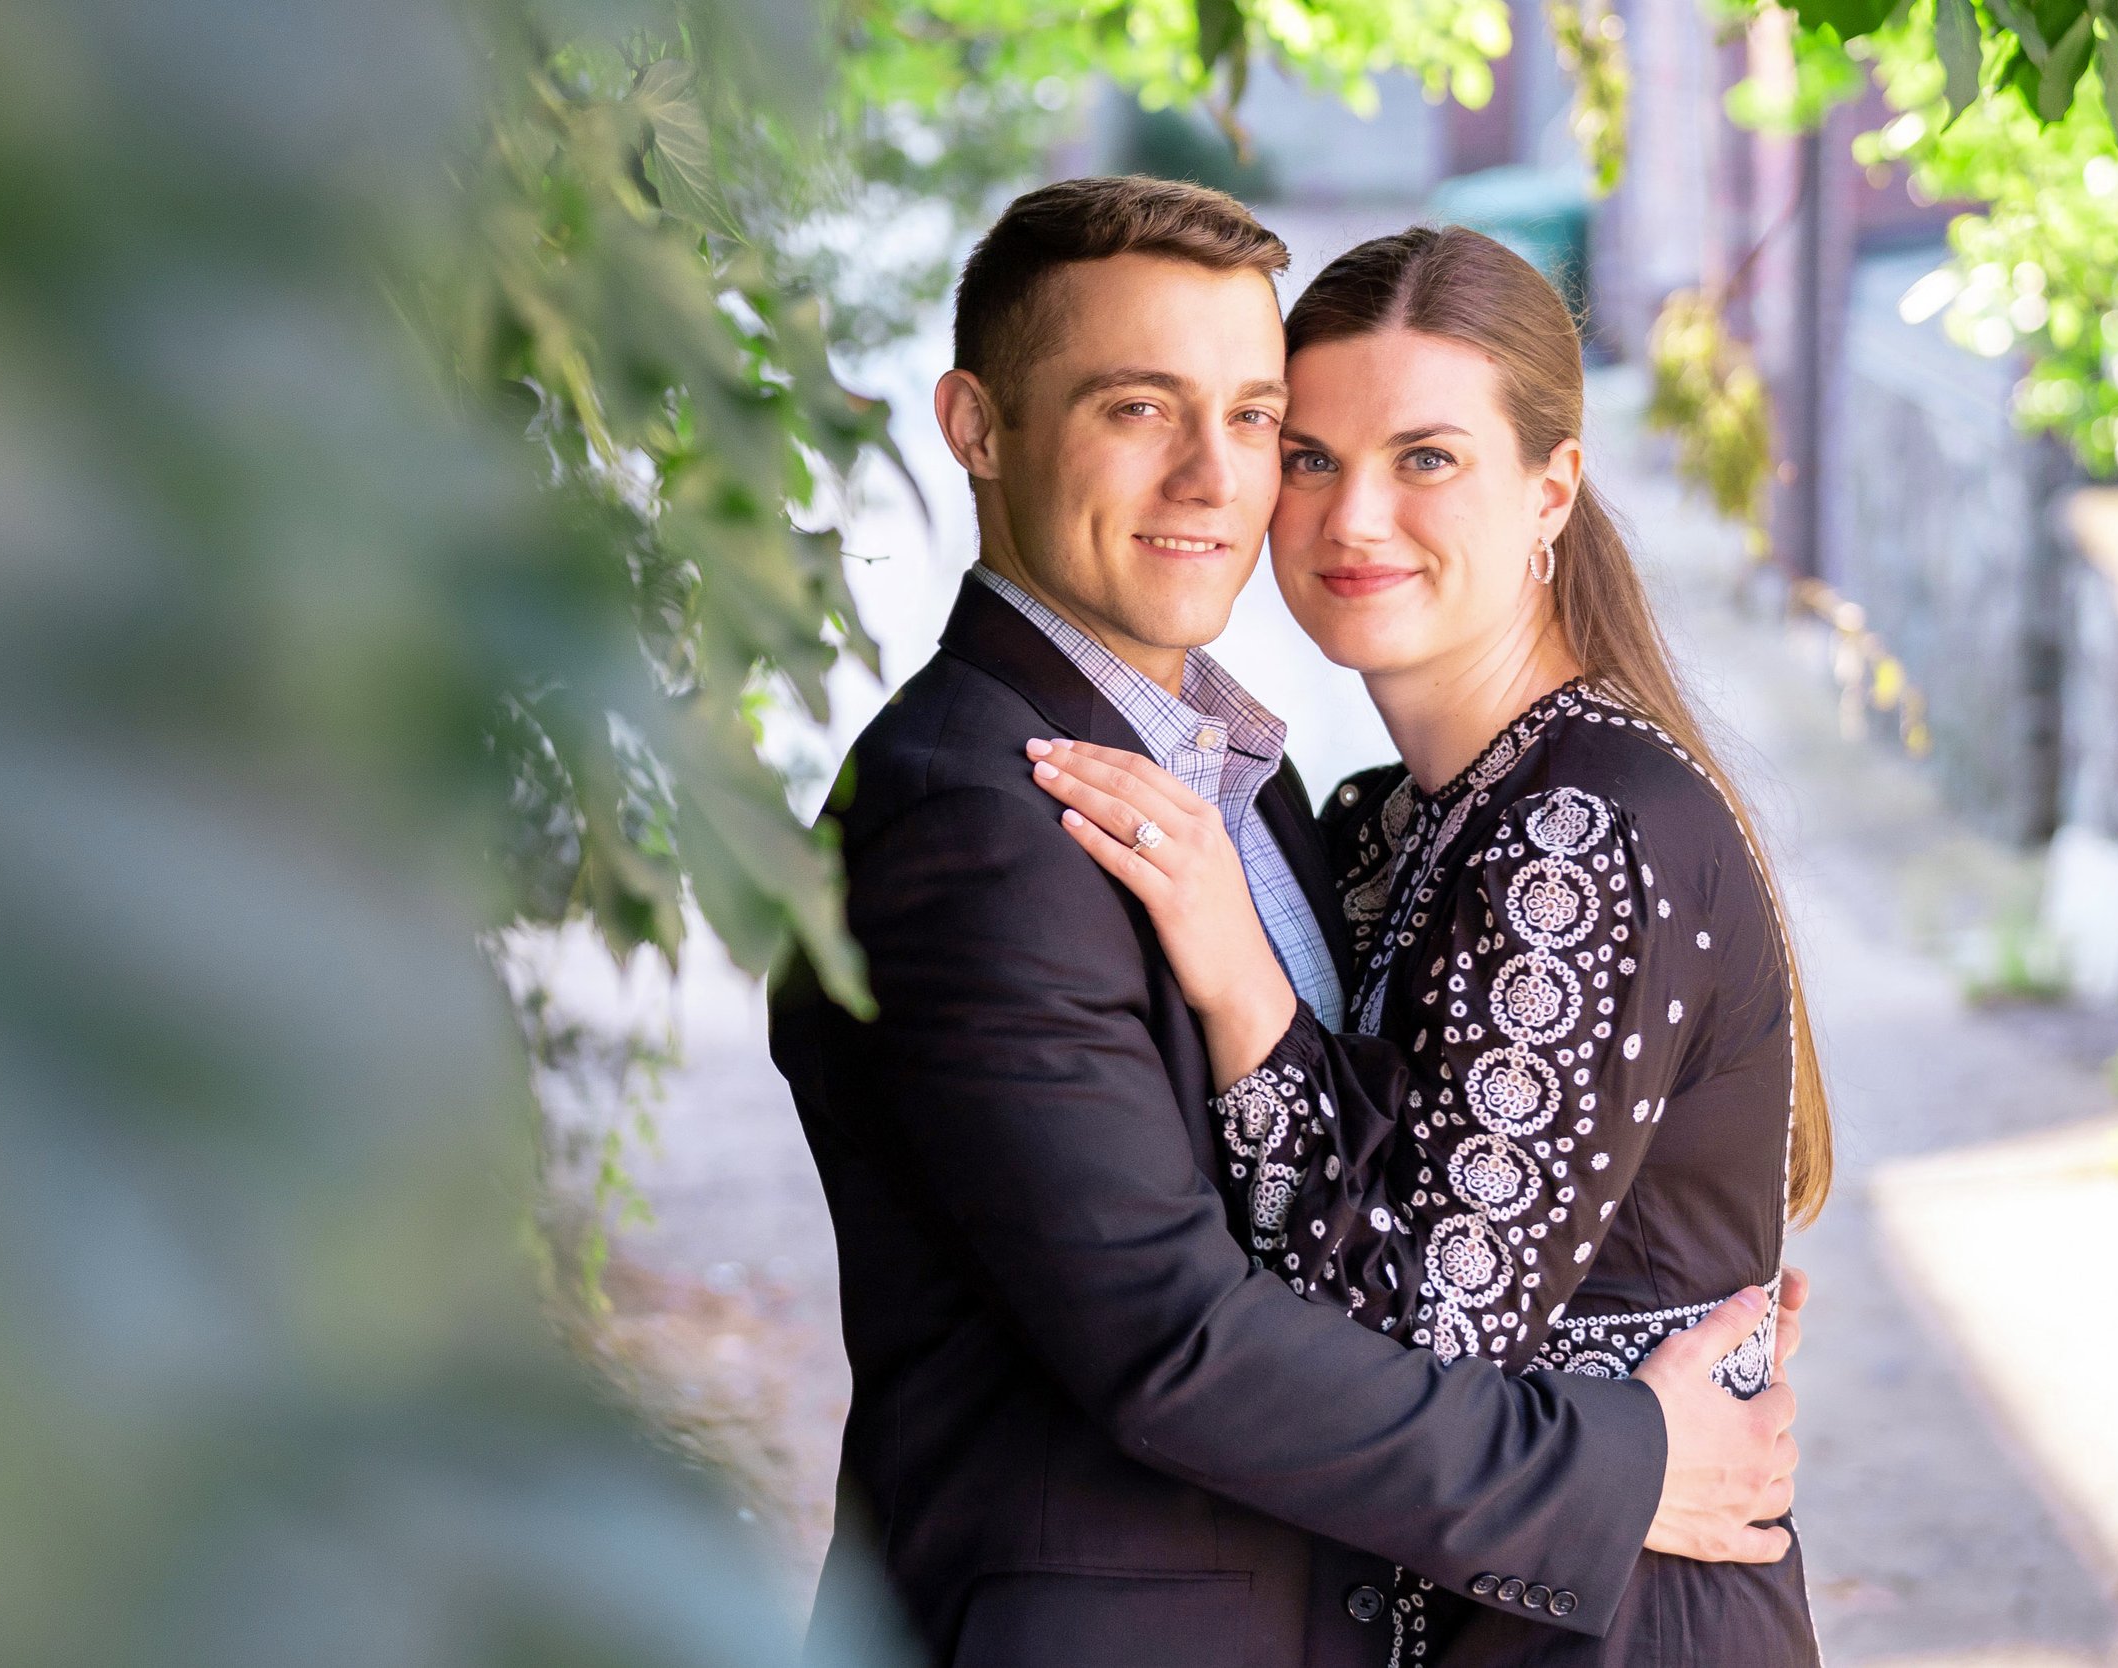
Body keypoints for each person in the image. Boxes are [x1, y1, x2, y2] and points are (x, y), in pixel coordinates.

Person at [769, 179, 1803, 1668]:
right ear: (978, 427)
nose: (1219, 478)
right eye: (1138, 408)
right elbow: (1176, 1336)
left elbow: (1419, 1272)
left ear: (1552, 493)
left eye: (1250, 420)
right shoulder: (984, 813)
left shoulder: (1271, 796)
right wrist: (1633, 1457)